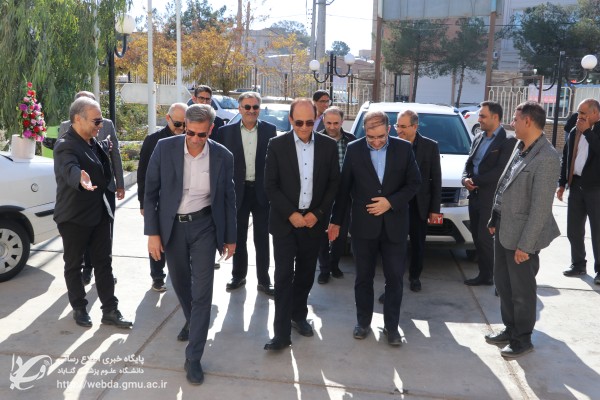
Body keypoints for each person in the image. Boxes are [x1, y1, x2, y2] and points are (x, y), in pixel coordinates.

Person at [143, 104, 236, 384]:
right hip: (172, 227)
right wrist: (153, 233)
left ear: (211, 130)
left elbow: (229, 198)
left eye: (201, 134)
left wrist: (231, 238)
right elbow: (150, 192)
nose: (195, 139)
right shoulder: (164, 148)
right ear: (184, 127)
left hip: (205, 226)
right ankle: (193, 322)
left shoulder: (223, 156)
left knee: (203, 292)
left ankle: (193, 356)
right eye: (190, 132)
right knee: (181, 284)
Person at [329, 111, 421, 346]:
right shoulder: (354, 149)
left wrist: (390, 202)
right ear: (365, 132)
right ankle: (363, 323)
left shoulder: (403, 149)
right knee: (363, 278)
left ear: (389, 130)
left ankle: (392, 327)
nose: (376, 142)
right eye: (371, 137)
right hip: (363, 227)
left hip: (395, 227)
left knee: (395, 279)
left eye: (381, 136)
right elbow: (344, 189)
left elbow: (414, 183)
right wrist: (335, 221)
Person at [263, 98, 340, 350]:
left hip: (313, 223)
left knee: (306, 274)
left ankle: (298, 316)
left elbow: (333, 184)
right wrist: (291, 214)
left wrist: (317, 213)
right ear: (290, 120)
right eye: (299, 123)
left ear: (316, 120)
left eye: (309, 122)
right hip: (285, 223)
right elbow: (270, 185)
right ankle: (281, 334)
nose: (304, 127)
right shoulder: (276, 145)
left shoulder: (328, 146)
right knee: (283, 276)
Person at [486, 101, 560, 358]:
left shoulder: (547, 157)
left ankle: (522, 339)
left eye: (516, 119)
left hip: (522, 238)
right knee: (503, 285)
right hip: (504, 229)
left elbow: (540, 208)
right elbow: (505, 185)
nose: (512, 123)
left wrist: (526, 246)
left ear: (528, 121)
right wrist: (494, 218)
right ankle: (510, 329)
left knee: (522, 291)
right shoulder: (520, 146)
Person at [53, 97, 132, 329]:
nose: (101, 125)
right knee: (74, 265)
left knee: (104, 263)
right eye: (96, 121)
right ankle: (79, 308)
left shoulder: (92, 142)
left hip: (99, 213)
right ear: (78, 119)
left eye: (101, 120)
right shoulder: (65, 145)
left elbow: (104, 168)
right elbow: (70, 168)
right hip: (74, 217)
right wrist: (80, 177)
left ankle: (110, 310)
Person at [212, 92, 276, 295]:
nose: (251, 111)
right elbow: (219, 164)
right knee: (237, 236)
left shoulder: (270, 130)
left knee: (262, 239)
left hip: (261, 192)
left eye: (255, 107)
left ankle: (264, 280)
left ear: (259, 109)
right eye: (247, 107)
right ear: (239, 109)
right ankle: (238, 276)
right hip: (236, 192)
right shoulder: (225, 132)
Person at [59, 91, 124, 286]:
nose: (98, 124)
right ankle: (87, 269)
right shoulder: (65, 128)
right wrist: (78, 178)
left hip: (105, 189)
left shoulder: (107, 125)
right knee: (84, 233)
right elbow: (66, 161)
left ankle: (105, 269)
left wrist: (119, 184)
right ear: (79, 115)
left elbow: (115, 155)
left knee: (105, 233)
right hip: (80, 192)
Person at [462, 101, 517, 286]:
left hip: (490, 198)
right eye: (479, 116)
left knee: (485, 238)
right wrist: (465, 179)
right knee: (477, 238)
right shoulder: (478, 137)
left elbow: (500, 171)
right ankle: (485, 275)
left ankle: (495, 276)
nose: (479, 119)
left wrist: (475, 181)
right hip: (474, 196)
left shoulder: (508, 141)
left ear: (495, 117)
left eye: (483, 116)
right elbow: (469, 163)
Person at [137, 102, 188, 292]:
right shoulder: (153, 141)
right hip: (159, 201)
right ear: (167, 119)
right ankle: (157, 276)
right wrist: (143, 203)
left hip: (184, 201)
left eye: (185, 124)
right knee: (157, 238)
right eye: (178, 124)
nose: (181, 128)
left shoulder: (190, 139)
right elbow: (143, 174)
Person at [390, 110, 442, 293]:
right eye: (397, 126)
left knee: (418, 244)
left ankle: (414, 277)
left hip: (419, 206)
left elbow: (436, 179)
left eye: (403, 126)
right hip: (396, 205)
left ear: (415, 126)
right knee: (395, 246)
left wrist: (435, 209)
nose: (399, 130)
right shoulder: (391, 145)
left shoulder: (430, 146)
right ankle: (393, 282)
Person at [557, 99, 600, 285]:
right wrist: (562, 183)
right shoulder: (575, 131)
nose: (579, 116)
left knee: (597, 231)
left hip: (596, 188)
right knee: (574, 230)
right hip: (576, 185)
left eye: (583, 113)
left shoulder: (593, 131)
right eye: (578, 112)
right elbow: (566, 157)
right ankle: (578, 264)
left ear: (595, 114)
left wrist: (588, 132)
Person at [315, 106, 356, 284]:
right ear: (323, 121)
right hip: (322, 194)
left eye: (336, 123)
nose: (332, 127)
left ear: (342, 121)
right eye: (329, 123)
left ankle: (334, 264)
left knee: (341, 232)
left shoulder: (351, 141)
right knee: (321, 233)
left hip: (344, 194)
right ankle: (324, 268)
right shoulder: (315, 139)